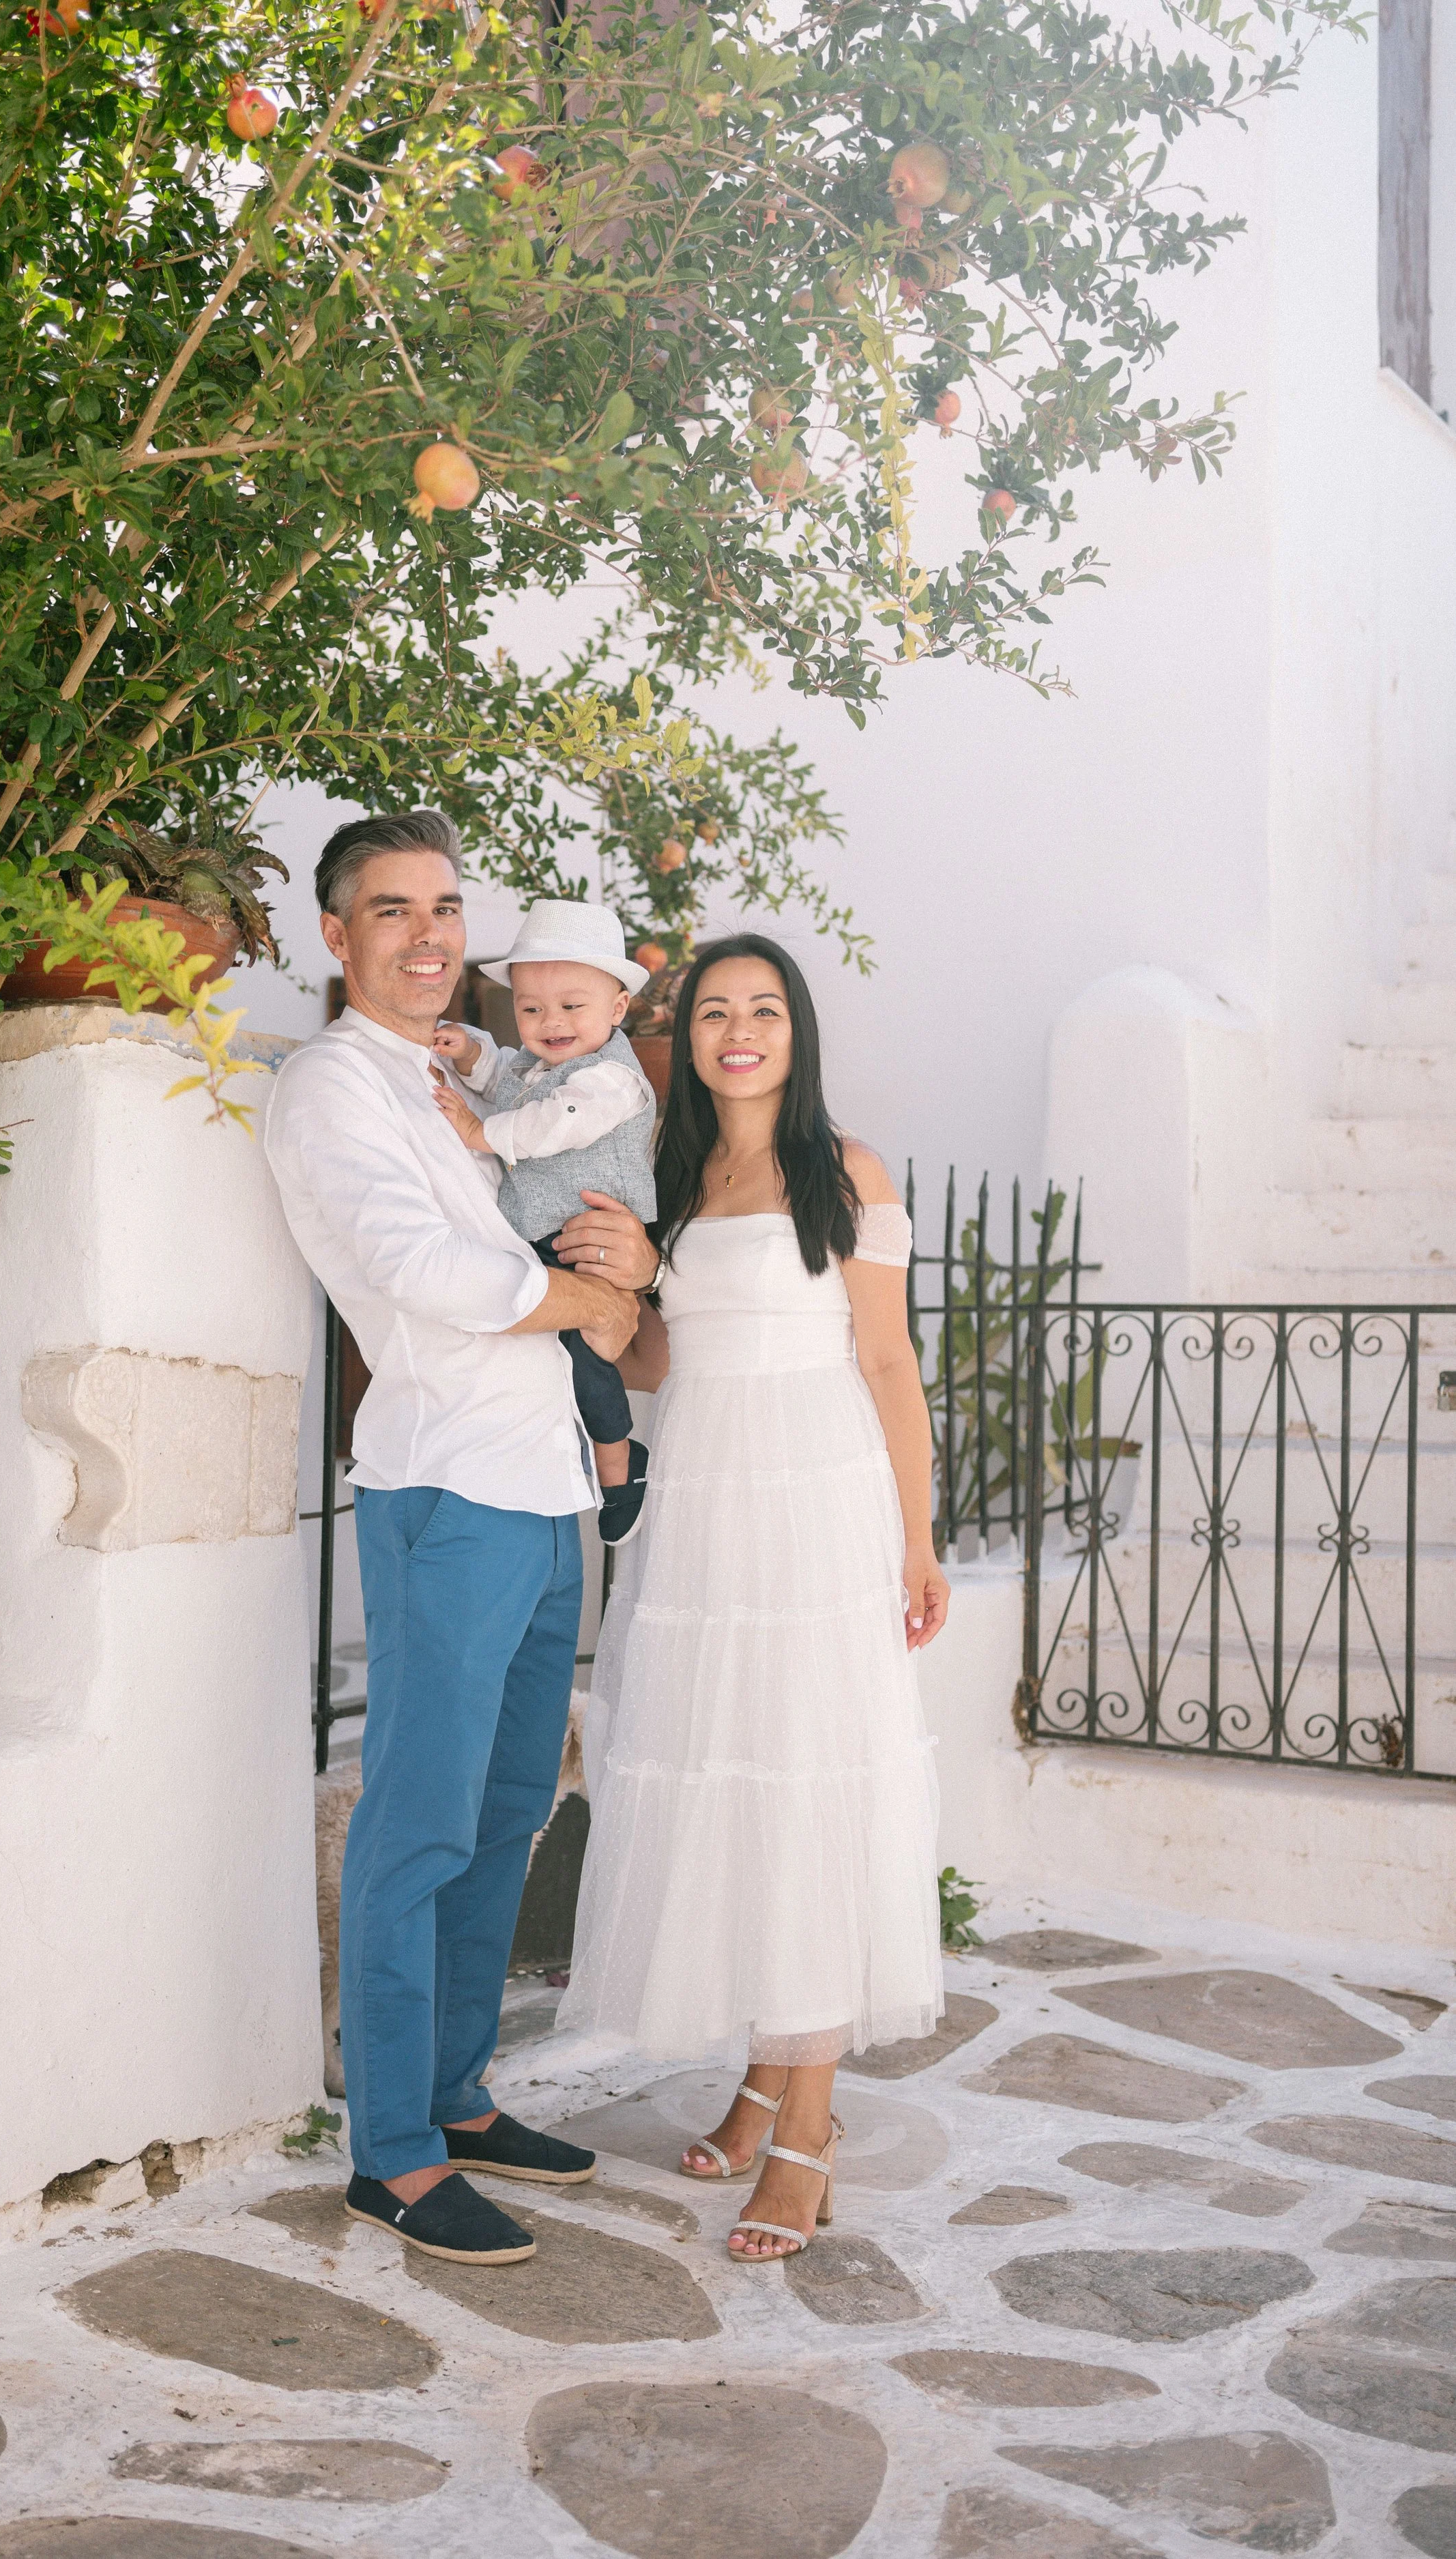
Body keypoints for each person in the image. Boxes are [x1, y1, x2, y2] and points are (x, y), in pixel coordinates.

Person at [263, 811, 658, 2267]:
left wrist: (622, 1277)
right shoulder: (328, 1090)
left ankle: (458, 2093)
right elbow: (424, 1271)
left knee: (506, 1814)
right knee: (418, 1825)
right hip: (445, 1492)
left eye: (443, 907)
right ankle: (394, 2153)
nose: (427, 935)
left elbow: (576, 1238)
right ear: (337, 935)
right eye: (390, 910)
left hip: (548, 1483)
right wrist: (593, 1307)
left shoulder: (473, 1075)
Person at [558, 932, 950, 2260]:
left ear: (797, 1031)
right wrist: (623, 1274)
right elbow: (664, 1357)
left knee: (810, 1793)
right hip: (708, 1514)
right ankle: (758, 2076)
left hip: (821, 1510)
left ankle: (806, 2134)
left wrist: (918, 1540)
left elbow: (889, 1365)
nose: (736, 1031)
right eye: (712, 1010)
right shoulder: (671, 1174)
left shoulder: (845, 1173)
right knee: (728, 1786)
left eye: (761, 1010)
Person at [431, 899, 658, 1546]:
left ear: (616, 1010)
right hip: (541, 1240)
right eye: (531, 1009)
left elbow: (555, 1121)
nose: (549, 1022)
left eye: (571, 1006)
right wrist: (469, 1050)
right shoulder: (538, 1067)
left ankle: (620, 1466)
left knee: (583, 1358)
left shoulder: (611, 1080)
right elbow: (503, 1073)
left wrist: (480, 1133)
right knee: (537, 1358)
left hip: (589, 1244)